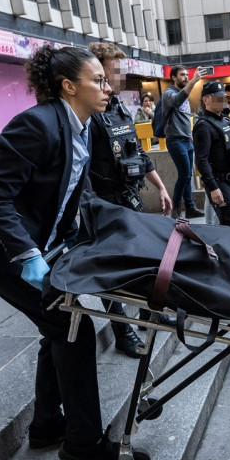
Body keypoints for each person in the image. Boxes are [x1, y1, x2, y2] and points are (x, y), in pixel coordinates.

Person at [0, 45, 144, 460]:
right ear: (68, 85)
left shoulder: (83, 124)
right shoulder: (36, 124)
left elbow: (76, 188)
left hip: (42, 242)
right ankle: (83, 444)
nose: (106, 87)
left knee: (59, 326)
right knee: (74, 328)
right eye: (98, 80)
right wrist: (27, 255)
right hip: (0, 250)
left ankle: (46, 426)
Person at [87, 42, 174, 357]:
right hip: (101, 202)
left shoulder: (119, 107)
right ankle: (121, 330)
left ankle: (147, 312)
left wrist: (161, 188)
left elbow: (137, 152)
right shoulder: (86, 114)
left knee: (143, 256)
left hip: (129, 196)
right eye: (115, 70)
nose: (121, 77)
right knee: (111, 268)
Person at [194, 81, 230, 229]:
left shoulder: (226, 121)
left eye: (223, 97)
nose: (222, 100)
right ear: (205, 99)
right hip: (218, 181)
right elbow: (201, 161)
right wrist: (212, 188)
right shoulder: (203, 126)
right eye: (217, 97)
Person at [157, 64, 207, 219]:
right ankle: (176, 207)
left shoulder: (184, 93)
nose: (186, 77)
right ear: (173, 77)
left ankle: (190, 207)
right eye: (182, 75)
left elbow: (185, 119)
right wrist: (193, 82)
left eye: (187, 75)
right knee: (184, 175)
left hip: (187, 140)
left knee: (188, 175)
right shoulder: (169, 93)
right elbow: (177, 102)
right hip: (175, 141)